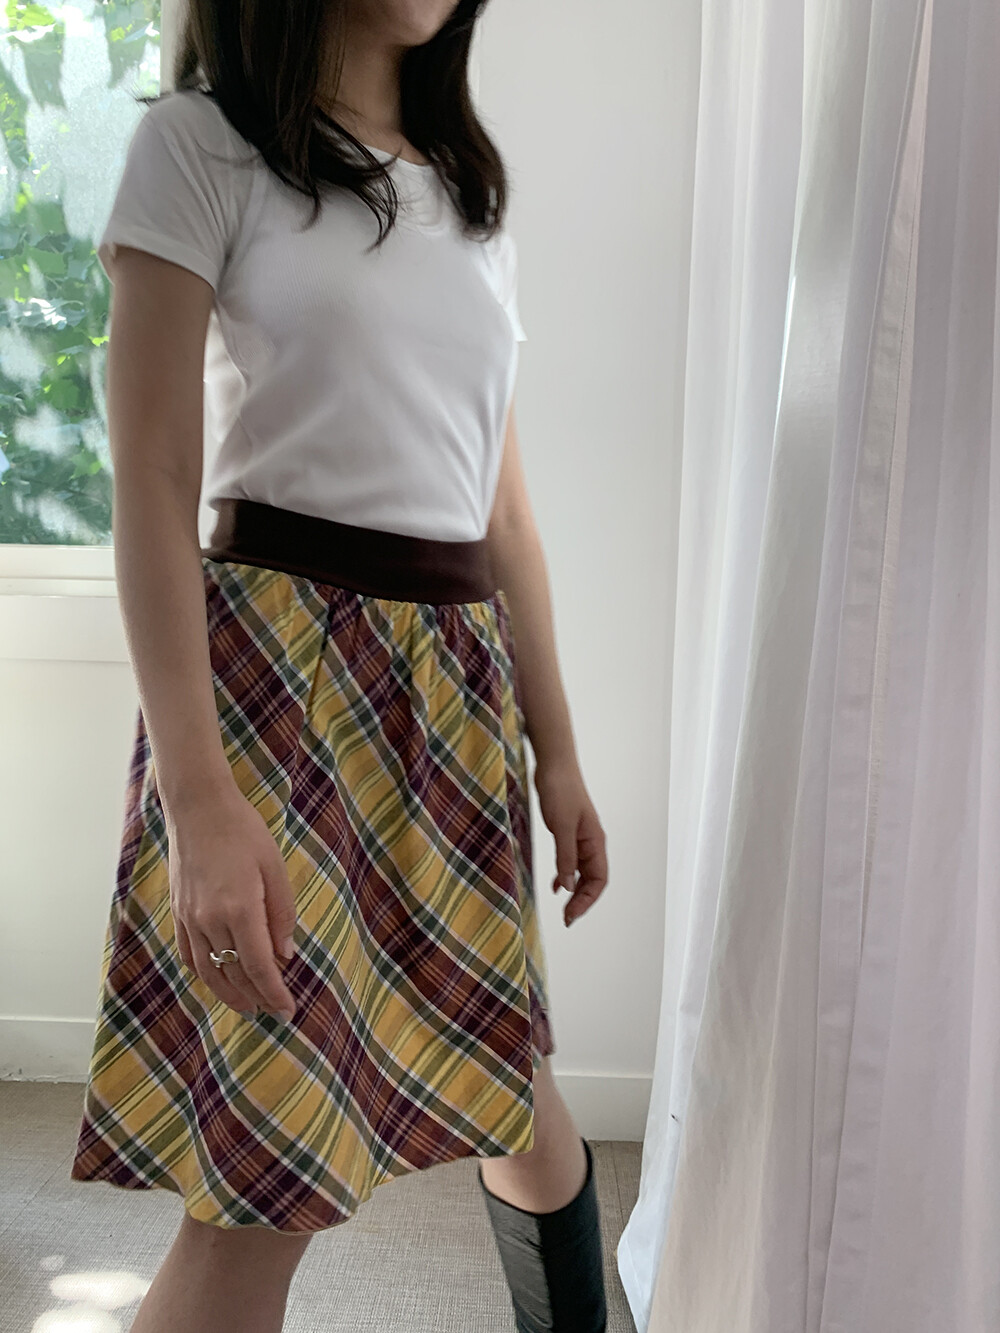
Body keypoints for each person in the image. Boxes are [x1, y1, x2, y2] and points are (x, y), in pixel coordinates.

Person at [69, 1, 610, 1329]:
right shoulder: (201, 147)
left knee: (511, 1088)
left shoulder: (469, 198)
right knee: (266, 1186)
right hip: (282, 690)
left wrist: (559, 752)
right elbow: (152, 480)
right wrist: (198, 798)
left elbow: (505, 517)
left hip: (453, 696)